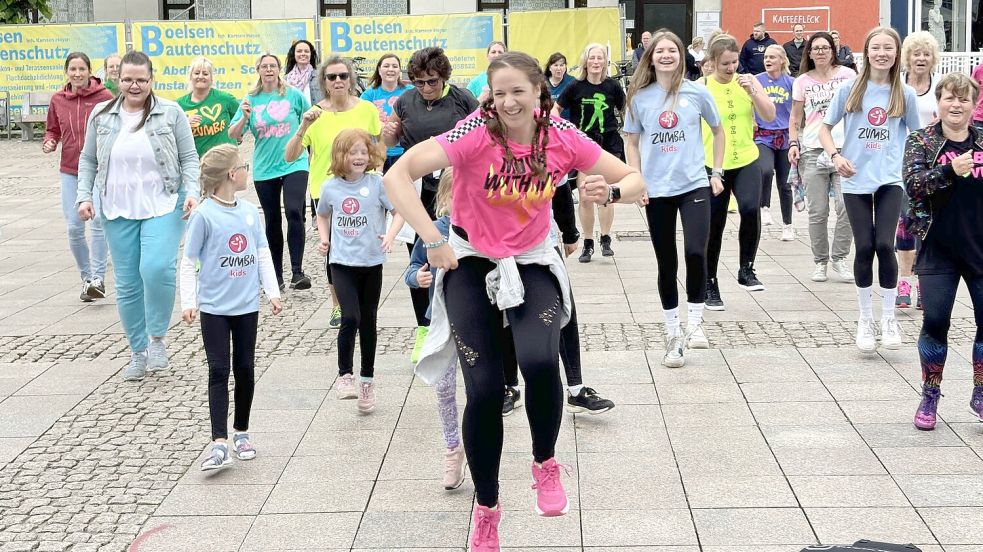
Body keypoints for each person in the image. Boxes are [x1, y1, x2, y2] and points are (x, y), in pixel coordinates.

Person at [383, 51, 644, 550]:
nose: (507, 102)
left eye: (517, 91)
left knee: (541, 361)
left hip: (531, 258)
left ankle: (545, 462)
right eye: (498, 92)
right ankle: (487, 507)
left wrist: (607, 194)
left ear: (539, 92)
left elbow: (634, 179)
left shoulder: (560, 135)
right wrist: (430, 240)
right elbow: (397, 176)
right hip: (469, 258)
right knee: (483, 389)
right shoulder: (474, 132)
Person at [76, 50, 200, 381]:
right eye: (128, 79)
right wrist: (83, 196)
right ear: (118, 79)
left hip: (164, 203)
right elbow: (88, 160)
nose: (134, 85)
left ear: (151, 79)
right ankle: (137, 351)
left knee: (156, 267)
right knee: (129, 282)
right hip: (117, 208)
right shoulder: (101, 115)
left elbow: (189, 157)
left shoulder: (171, 112)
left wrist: (192, 193)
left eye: (141, 80)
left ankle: (157, 338)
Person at [179, 144, 282, 471]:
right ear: (230, 174)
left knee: (246, 368)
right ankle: (219, 441)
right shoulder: (204, 215)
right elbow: (188, 261)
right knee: (219, 370)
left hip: (246, 306)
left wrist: (272, 291)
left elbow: (262, 252)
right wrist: (189, 301)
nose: (246, 171)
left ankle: (241, 432)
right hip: (214, 308)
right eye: (243, 166)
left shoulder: (250, 212)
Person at [625, 30, 724, 368]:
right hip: (657, 189)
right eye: (660, 51)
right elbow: (632, 141)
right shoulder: (639, 96)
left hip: (694, 184)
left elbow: (718, 130)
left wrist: (717, 172)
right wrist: (636, 180)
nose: (666, 55)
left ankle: (695, 322)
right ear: (650, 57)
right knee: (666, 262)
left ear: (682, 55)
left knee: (696, 252)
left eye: (672, 50)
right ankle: (672, 332)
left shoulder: (697, 92)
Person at [820, 26, 921, 352]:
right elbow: (824, 128)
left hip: (891, 179)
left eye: (888, 48)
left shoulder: (903, 93)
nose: (882, 53)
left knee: (884, 244)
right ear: (867, 52)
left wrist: (917, 170)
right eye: (876, 47)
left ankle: (889, 318)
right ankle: (866, 320)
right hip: (855, 180)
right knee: (863, 247)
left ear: (896, 54)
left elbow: (918, 138)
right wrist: (836, 156)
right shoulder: (850, 90)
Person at [383, 47, 478, 363]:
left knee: (461, 253)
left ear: (444, 77)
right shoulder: (405, 101)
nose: (425, 88)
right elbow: (390, 141)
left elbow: (484, 133)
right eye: (419, 82)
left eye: (432, 82)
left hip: (455, 184)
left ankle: (463, 323)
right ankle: (424, 327)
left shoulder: (462, 98)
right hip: (418, 188)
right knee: (419, 256)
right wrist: (387, 135)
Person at [903, 72, 983, 429]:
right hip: (938, 247)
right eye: (950, 98)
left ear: (973, 105)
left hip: (980, 247)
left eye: (964, 99)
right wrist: (949, 169)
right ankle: (930, 393)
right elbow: (914, 184)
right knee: (936, 321)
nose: (957, 105)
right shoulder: (921, 140)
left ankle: (980, 392)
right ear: (939, 101)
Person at [284, 56, 381, 329]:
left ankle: (362, 301)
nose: (337, 81)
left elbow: (378, 146)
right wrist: (303, 125)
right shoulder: (315, 113)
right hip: (326, 191)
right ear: (323, 82)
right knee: (334, 249)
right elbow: (290, 156)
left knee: (363, 243)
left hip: (363, 189)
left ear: (351, 79)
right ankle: (339, 305)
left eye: (342, 76)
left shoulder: (367, 109)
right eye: (331, 77)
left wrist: (378, 177)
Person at [316, 129, 402, 414]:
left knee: (368, 322)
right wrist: (324, 238)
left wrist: (389, 236)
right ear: (341, 155)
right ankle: (345, 376)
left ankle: (367, 380)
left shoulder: (377, 185)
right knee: (349, 316)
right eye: (353, 152)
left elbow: (398, 212)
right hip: (341, 263)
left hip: (371, 263)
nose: (359, 157)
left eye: (364, 152)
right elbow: (323, 214)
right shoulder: (330, 188)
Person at [701, 34, 776, 311]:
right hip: (713, 164)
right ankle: (710, 282)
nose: (731, 69)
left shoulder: (749, 82)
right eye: (725, 64)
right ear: (712, 63)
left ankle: (747, 268)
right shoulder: (702, 87)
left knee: (749, 208)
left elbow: (769, 116)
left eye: (734, 63)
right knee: (716, 223)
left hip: (746, 158)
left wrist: (754, 92)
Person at [403, 168, 466, 490]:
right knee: (444, 389)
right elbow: (412, 268)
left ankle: (476, 442)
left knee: (481, 390)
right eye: (458, 195)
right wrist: (418, 278)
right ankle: (453, 449)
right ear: (445, 198)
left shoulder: (485, 229)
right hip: (441, 322)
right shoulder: (434, 231)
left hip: (476, 323)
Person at [229, 53, 312, 291]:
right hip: (265, 168)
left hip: (295, 162)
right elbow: (234, 135)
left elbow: (310, 120)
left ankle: (297, 271)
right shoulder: (250, 99)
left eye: (272, 66)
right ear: (258, 70)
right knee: (272, 220)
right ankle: (276, 275)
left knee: (295, 211)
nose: (268, 70)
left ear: (279, 70)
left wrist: (311, 149)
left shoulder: (293, 95)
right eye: (264, 66)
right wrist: (243, 118)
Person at [43, 52, 114, 303]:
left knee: (96, 223)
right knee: (74, 226)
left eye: (81, 69)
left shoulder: (105, 98)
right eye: (72, 69)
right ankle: (86, 279)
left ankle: (98, 278)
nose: (77, 74)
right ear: (67, 72)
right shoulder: (58, 99)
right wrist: (50, 141)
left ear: (89, 71)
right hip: (70, 170)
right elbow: (52, 128)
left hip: (99, 170)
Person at [789, 31, 856, 285]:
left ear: (833, 50)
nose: (820, 52)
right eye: (815, 48)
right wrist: (793, 143)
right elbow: (795, 118)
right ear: (809, 52)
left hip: (844, 148)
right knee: (817, 211)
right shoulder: (803, 81)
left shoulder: (848, 76)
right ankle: (820, 261)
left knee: (847, 206)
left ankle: (839, 257)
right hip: (813, 150)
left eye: (825, 47)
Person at [554, 43, 626, 262]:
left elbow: (625, 109)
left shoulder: (613, 86)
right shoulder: (575, 87)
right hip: (584, 145)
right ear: (586, 61)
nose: (596, 62)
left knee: (605, 195)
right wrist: (560, 130)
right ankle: (588, 241)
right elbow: (556, 109)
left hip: (609, 144)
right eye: (592, 58)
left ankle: (605, 238)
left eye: (600, 58)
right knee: (585, 196)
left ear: (605, 62)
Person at [896, 31, 941, 309]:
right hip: (901, 164)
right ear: (907, 58)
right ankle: (904, 282)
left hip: (934, 165)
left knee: (929, 225)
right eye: (916, 53)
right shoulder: (897, 86)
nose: (921, 58)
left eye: (926, 54)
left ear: (933, 58)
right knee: (906, 223)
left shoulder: (939, 87)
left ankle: (924, 283)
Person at [755, 44, 796, 239]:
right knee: (764, 170)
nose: (768, 60)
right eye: (766, 57)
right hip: (763, 134)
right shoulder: (757, 81)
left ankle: (787, 225)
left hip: (785, 136)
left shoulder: (791, 82)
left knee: (785, 183)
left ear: (782, 60)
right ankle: (764, 206)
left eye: (772, 57)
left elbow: (797, 109)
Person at [177, 57, 240, 157]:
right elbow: (172, 134)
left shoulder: (226, 99)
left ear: (211, 78)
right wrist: (184, 123)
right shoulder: (179, 105)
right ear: (190, 76)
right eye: (197, 73)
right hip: (198, 165)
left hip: (226, 162)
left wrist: (238, 137)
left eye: (205, 74)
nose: (201, 76)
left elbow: (241, 121)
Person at [361, 54, 410, 170]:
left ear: (399, 71)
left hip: (405, 152)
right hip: (377, 153)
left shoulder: (410, 92)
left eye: (395, 66)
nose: (390, 69)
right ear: (379, 70)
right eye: (386, 66)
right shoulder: (368, 95)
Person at [284, 39, 322, 105]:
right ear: (294, 54)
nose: (303, 54)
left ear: (311, 54)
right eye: (299, 51)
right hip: (294, 114)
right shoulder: (285, 79)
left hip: (315, 114)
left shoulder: (320, 76)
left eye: (306, 51)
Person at [544, 52, 575, 120]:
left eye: (561, 65)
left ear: (565, 67)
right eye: (556, 65)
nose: (559, 68)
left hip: (567, 123)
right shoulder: (542, 82)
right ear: (549, 67)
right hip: (547, 122)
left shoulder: (572, 82)